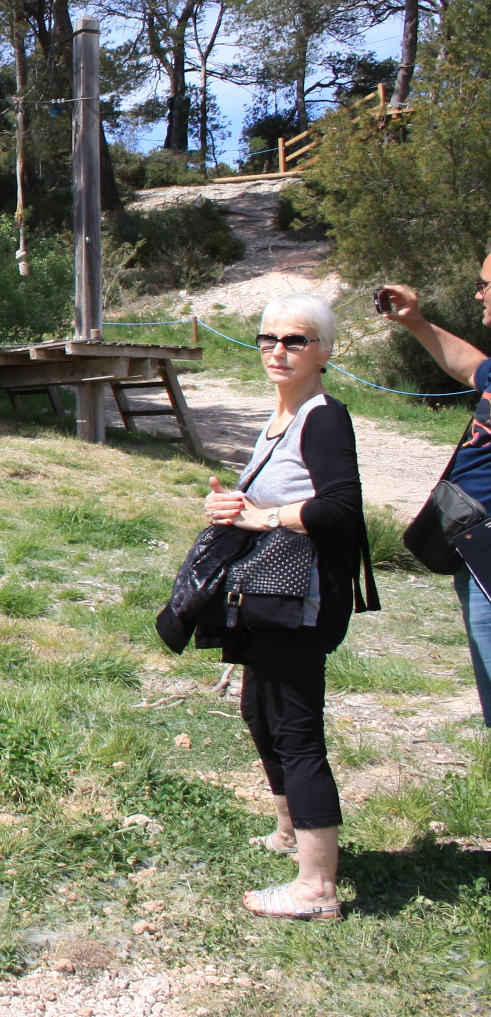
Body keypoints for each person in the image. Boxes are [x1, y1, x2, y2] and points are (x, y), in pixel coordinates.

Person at [201, 293, 372, 922]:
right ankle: (290, 831)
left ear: (324, 351)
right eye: (268, 338)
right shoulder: (282, 415)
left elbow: (341, 507)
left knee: (295, 730)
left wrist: (264, 517)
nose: (278, 350)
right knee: (260, 711)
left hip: (301, 598)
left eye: (295, 340)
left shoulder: (324, 417)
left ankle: (317, 888)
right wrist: (230, 507)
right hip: (269, 594)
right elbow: (270, 501)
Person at [381, 264, 491, 726]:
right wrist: (416, 323)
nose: (479, 295)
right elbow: (473, 368)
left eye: (485, 285)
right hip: (474, 547)